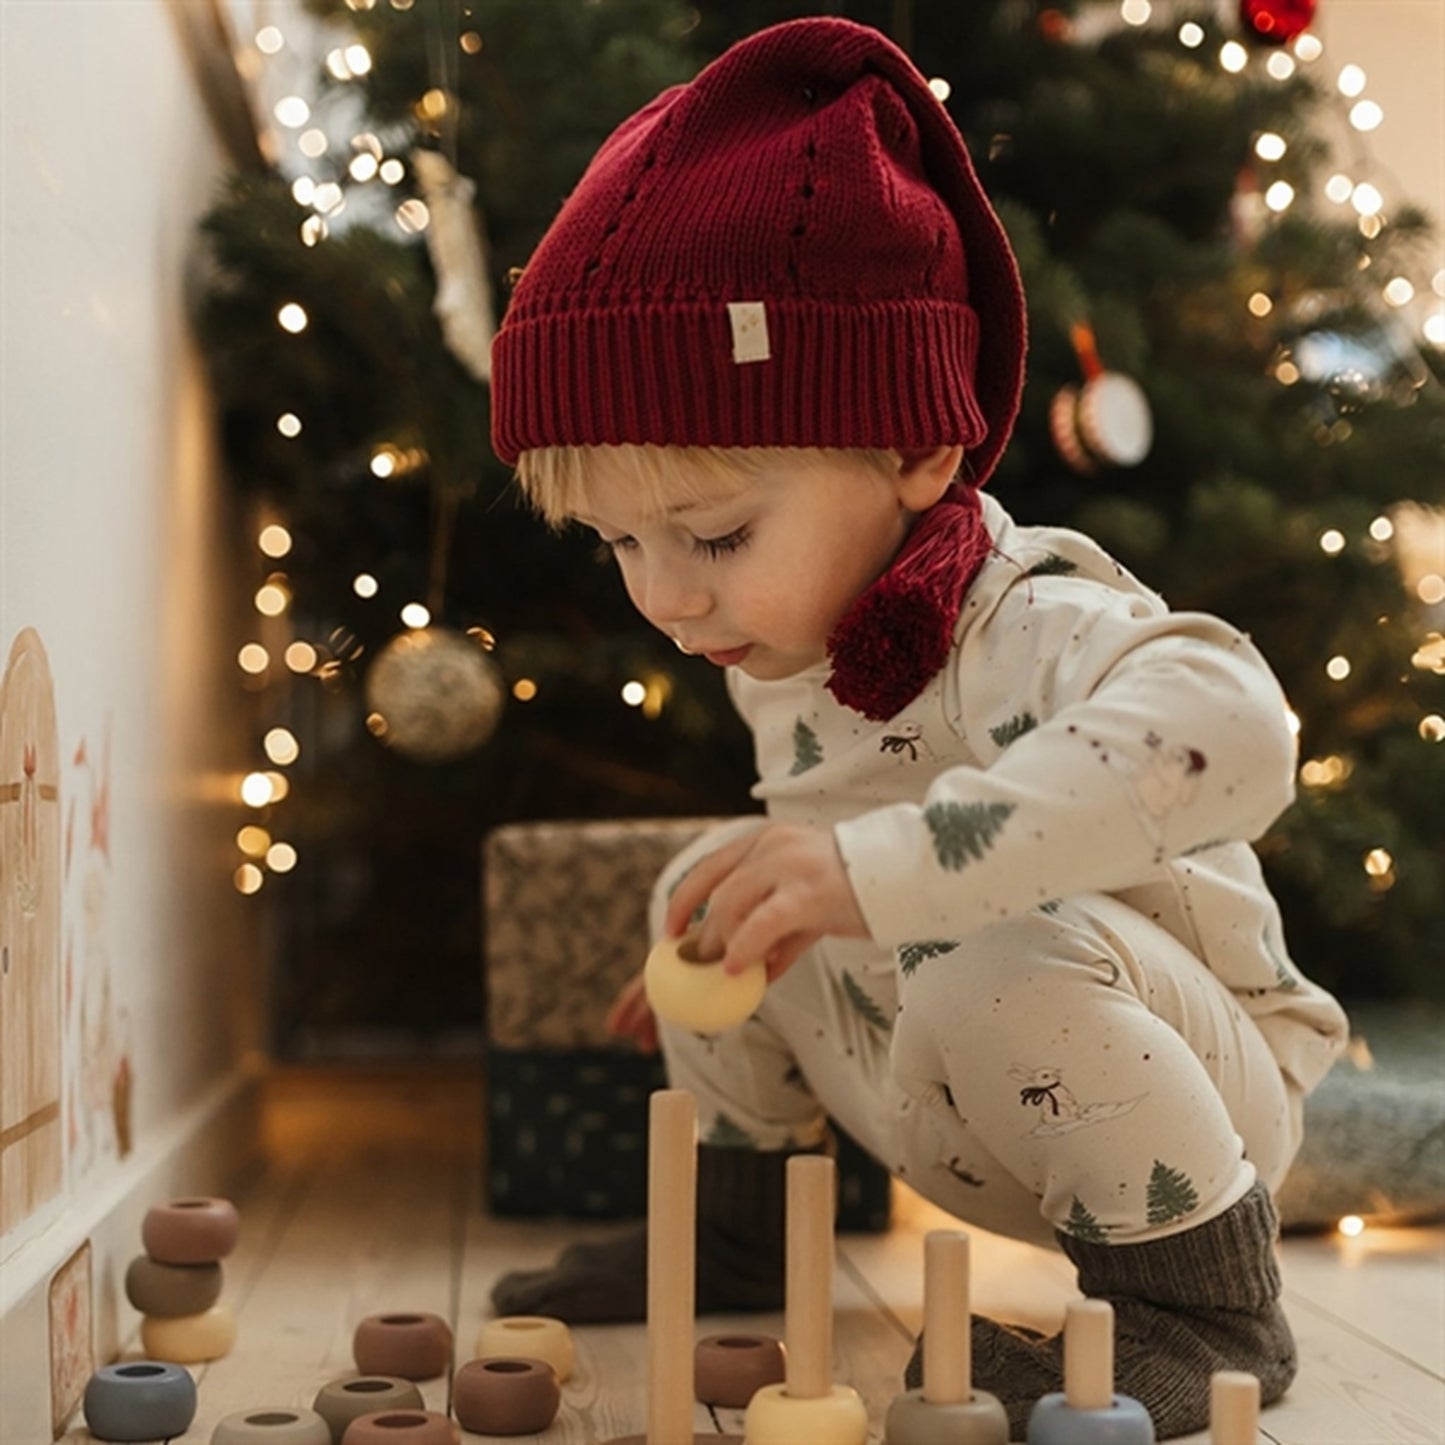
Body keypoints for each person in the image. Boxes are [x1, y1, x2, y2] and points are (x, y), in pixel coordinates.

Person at [485, 16, 1348, 1437]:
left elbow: (1236, 726)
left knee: (989, 946)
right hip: (952, 1086)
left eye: (714, 533)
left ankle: (1205, 1310)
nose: (666, 597)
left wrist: (870, 871)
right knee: (713, 886)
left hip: (1191, 1111)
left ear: (914, 449)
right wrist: (764, 936)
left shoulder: (1022, 618)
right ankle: (743, 1229)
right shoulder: (780, 633)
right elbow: (827, 853)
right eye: (618, 544)